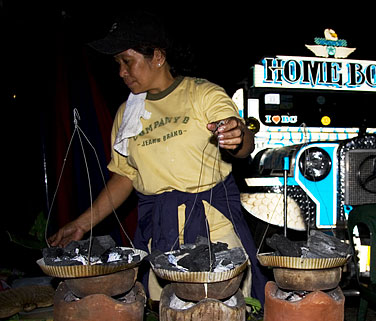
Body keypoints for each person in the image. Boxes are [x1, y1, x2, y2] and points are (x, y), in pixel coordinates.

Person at [48, 11, 267, 305]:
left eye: (128, 62)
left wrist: (237, 135)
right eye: (118, 65)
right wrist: (81, 224)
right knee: (170, 318)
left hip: (213, 226)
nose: (122, 73)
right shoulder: (128, 114)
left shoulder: (202, 93)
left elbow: (241, 141)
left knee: (223, 313)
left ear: (158, 57)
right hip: (161, 230)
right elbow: (125, 177)